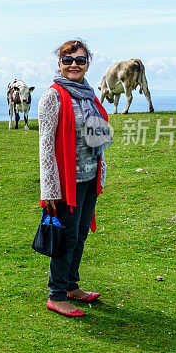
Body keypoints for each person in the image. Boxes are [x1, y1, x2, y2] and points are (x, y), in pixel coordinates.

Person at [38, 39, 111, 317]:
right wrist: (50, 189)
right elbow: (46, 146)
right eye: (68, 60)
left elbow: (99, 137)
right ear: (59, 64)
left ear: (87, 64)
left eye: (79, 60)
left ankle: (71, 286)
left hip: (90, 177)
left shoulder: (89, 95)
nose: (74, 65)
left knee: (79, 236)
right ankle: (56, 295)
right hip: (65, 182)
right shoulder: (52, 97)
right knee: (65, 237)